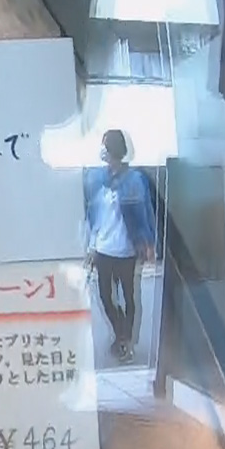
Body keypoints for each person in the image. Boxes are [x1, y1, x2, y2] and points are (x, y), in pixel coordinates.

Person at [83, 129, 157, 363]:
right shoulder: (97, 179)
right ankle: (121, 334)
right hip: (103, 249)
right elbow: (94, 218)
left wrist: (149, 242)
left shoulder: (135, 180)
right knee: (105, 297)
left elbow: (145, 213)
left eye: (105, 146)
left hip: (126, 250)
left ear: (114, 149)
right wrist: (91, 247)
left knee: (128, 298)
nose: (102, 151)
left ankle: (125, 342)